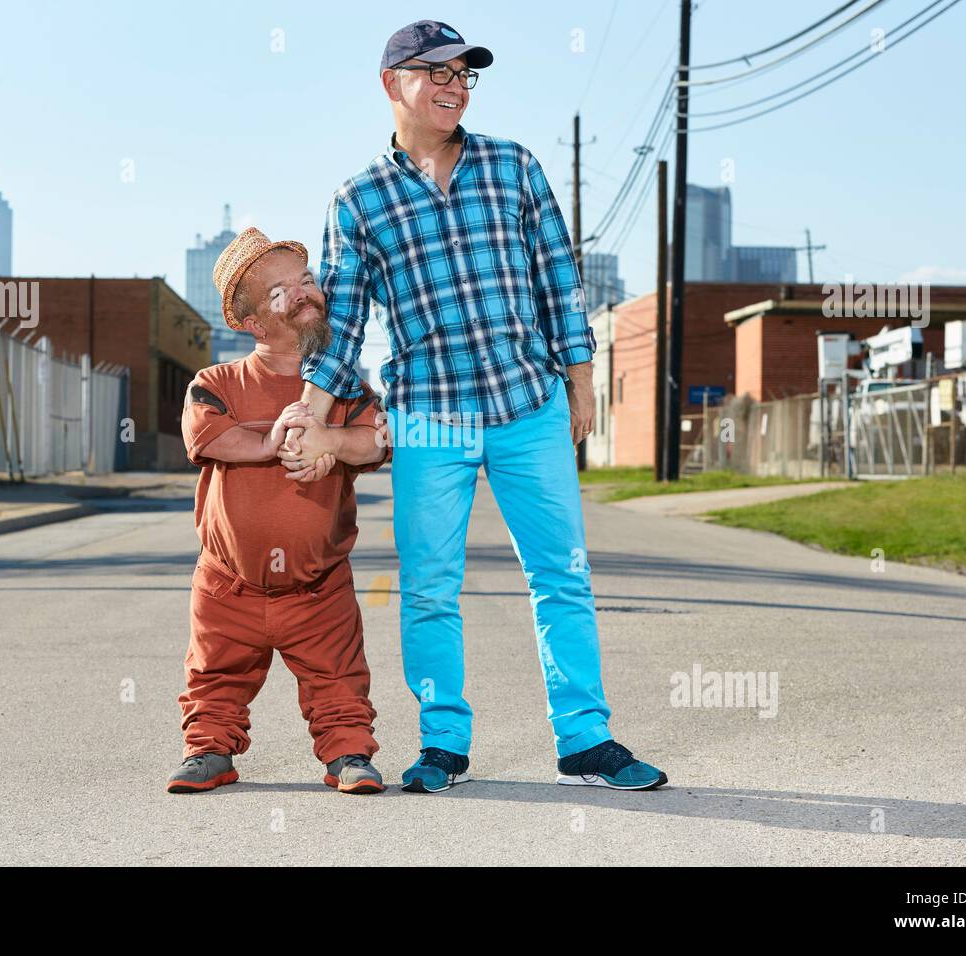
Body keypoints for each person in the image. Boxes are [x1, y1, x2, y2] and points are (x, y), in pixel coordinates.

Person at [290, 20, 668, 793]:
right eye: (437, 71)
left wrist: (582, 383)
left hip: (528, 403)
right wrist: (309, 410)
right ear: (393, 84)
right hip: (430, 415)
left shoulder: (514, 167)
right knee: (430, 588)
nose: (455, 84)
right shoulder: (358, 201)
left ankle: (586, 741)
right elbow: (345, 324)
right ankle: (443, 745)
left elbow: (560, 281)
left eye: (465, 73)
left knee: (561, 576)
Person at [167, 227, 390, 796]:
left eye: (307, 280)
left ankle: (348, 752)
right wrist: (279, 439)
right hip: (229, 586)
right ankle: (209, 749)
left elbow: (375, 443)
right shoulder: (217, 382)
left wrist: (330, 443)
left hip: (318, 588)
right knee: (214, 673)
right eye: (279, 291)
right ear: (250, 322)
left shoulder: (344, 387)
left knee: (339, 678)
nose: (303, 293)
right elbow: (210, 436)